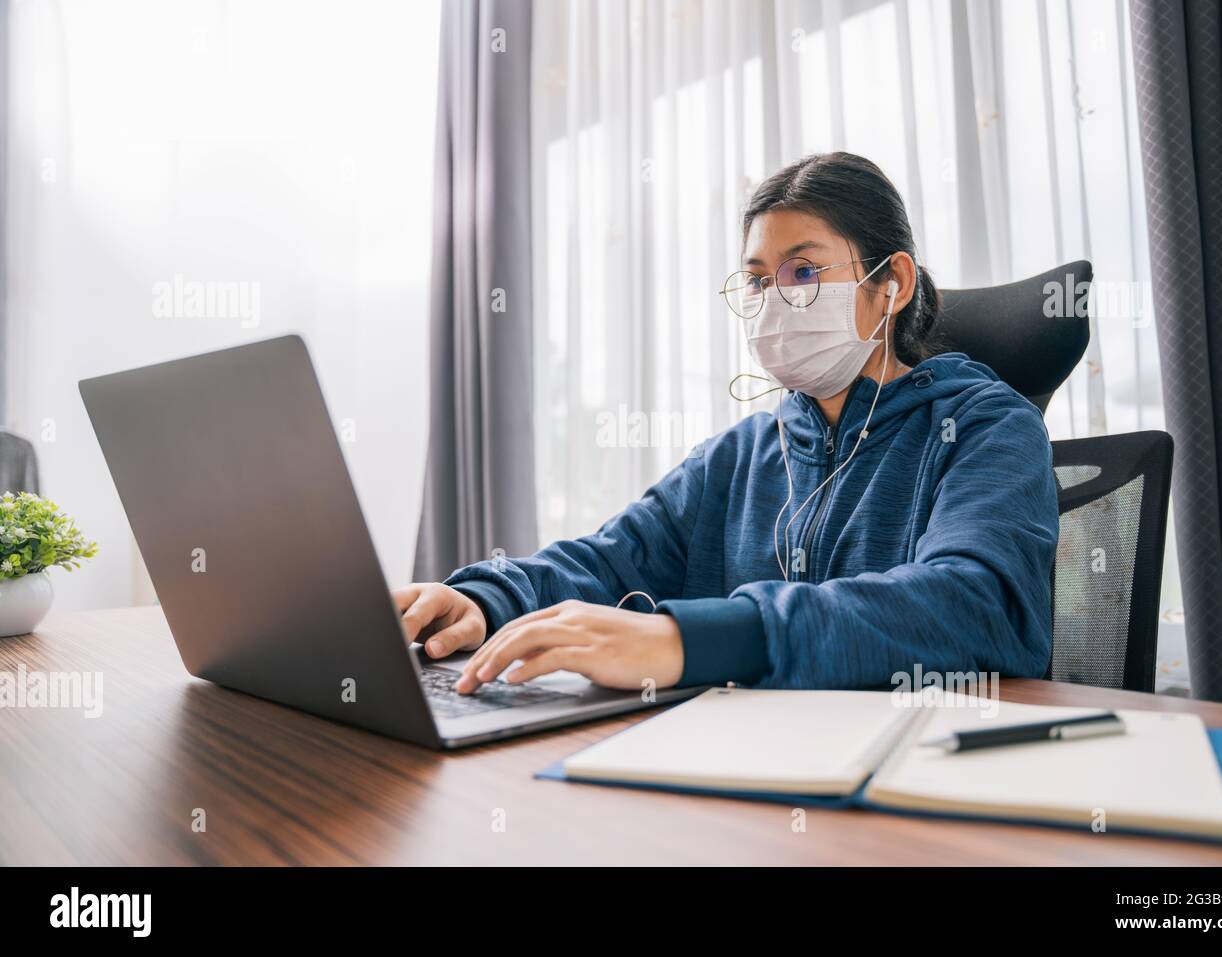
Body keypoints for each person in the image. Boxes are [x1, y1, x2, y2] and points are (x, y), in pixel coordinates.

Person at [393, 151, 1058, 696]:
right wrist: (485, 598)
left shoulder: (987, 426)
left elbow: (977, 604)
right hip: (745, 777)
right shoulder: (742, 454)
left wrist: (692, 640)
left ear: (892, 285)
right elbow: (609, 560)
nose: (776, 301)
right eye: (759, 281)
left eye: (804, 271)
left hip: (903, 789)